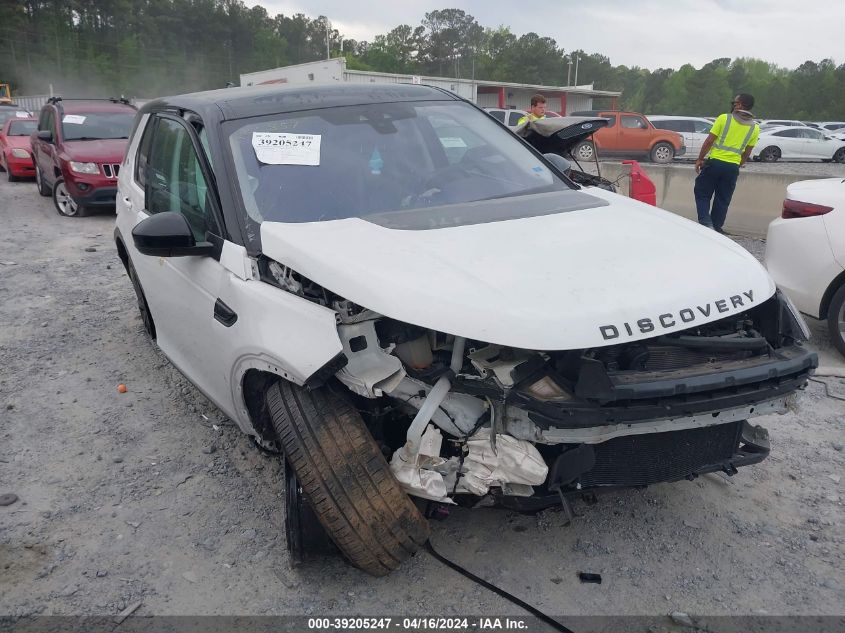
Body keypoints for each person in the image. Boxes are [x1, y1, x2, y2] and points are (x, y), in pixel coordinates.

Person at [693, 94, 759, 233]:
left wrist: (700, 159)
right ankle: (716, 227)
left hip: (715, 163)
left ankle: (706, 223)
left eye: (734, 103)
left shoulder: (724, 118)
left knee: (702, 192)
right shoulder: (755, 127)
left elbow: (709, 141)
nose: (733, 105)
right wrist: (739, 163)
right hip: (732, 167)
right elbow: (747, 152)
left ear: (740, 105)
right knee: (723, 198)